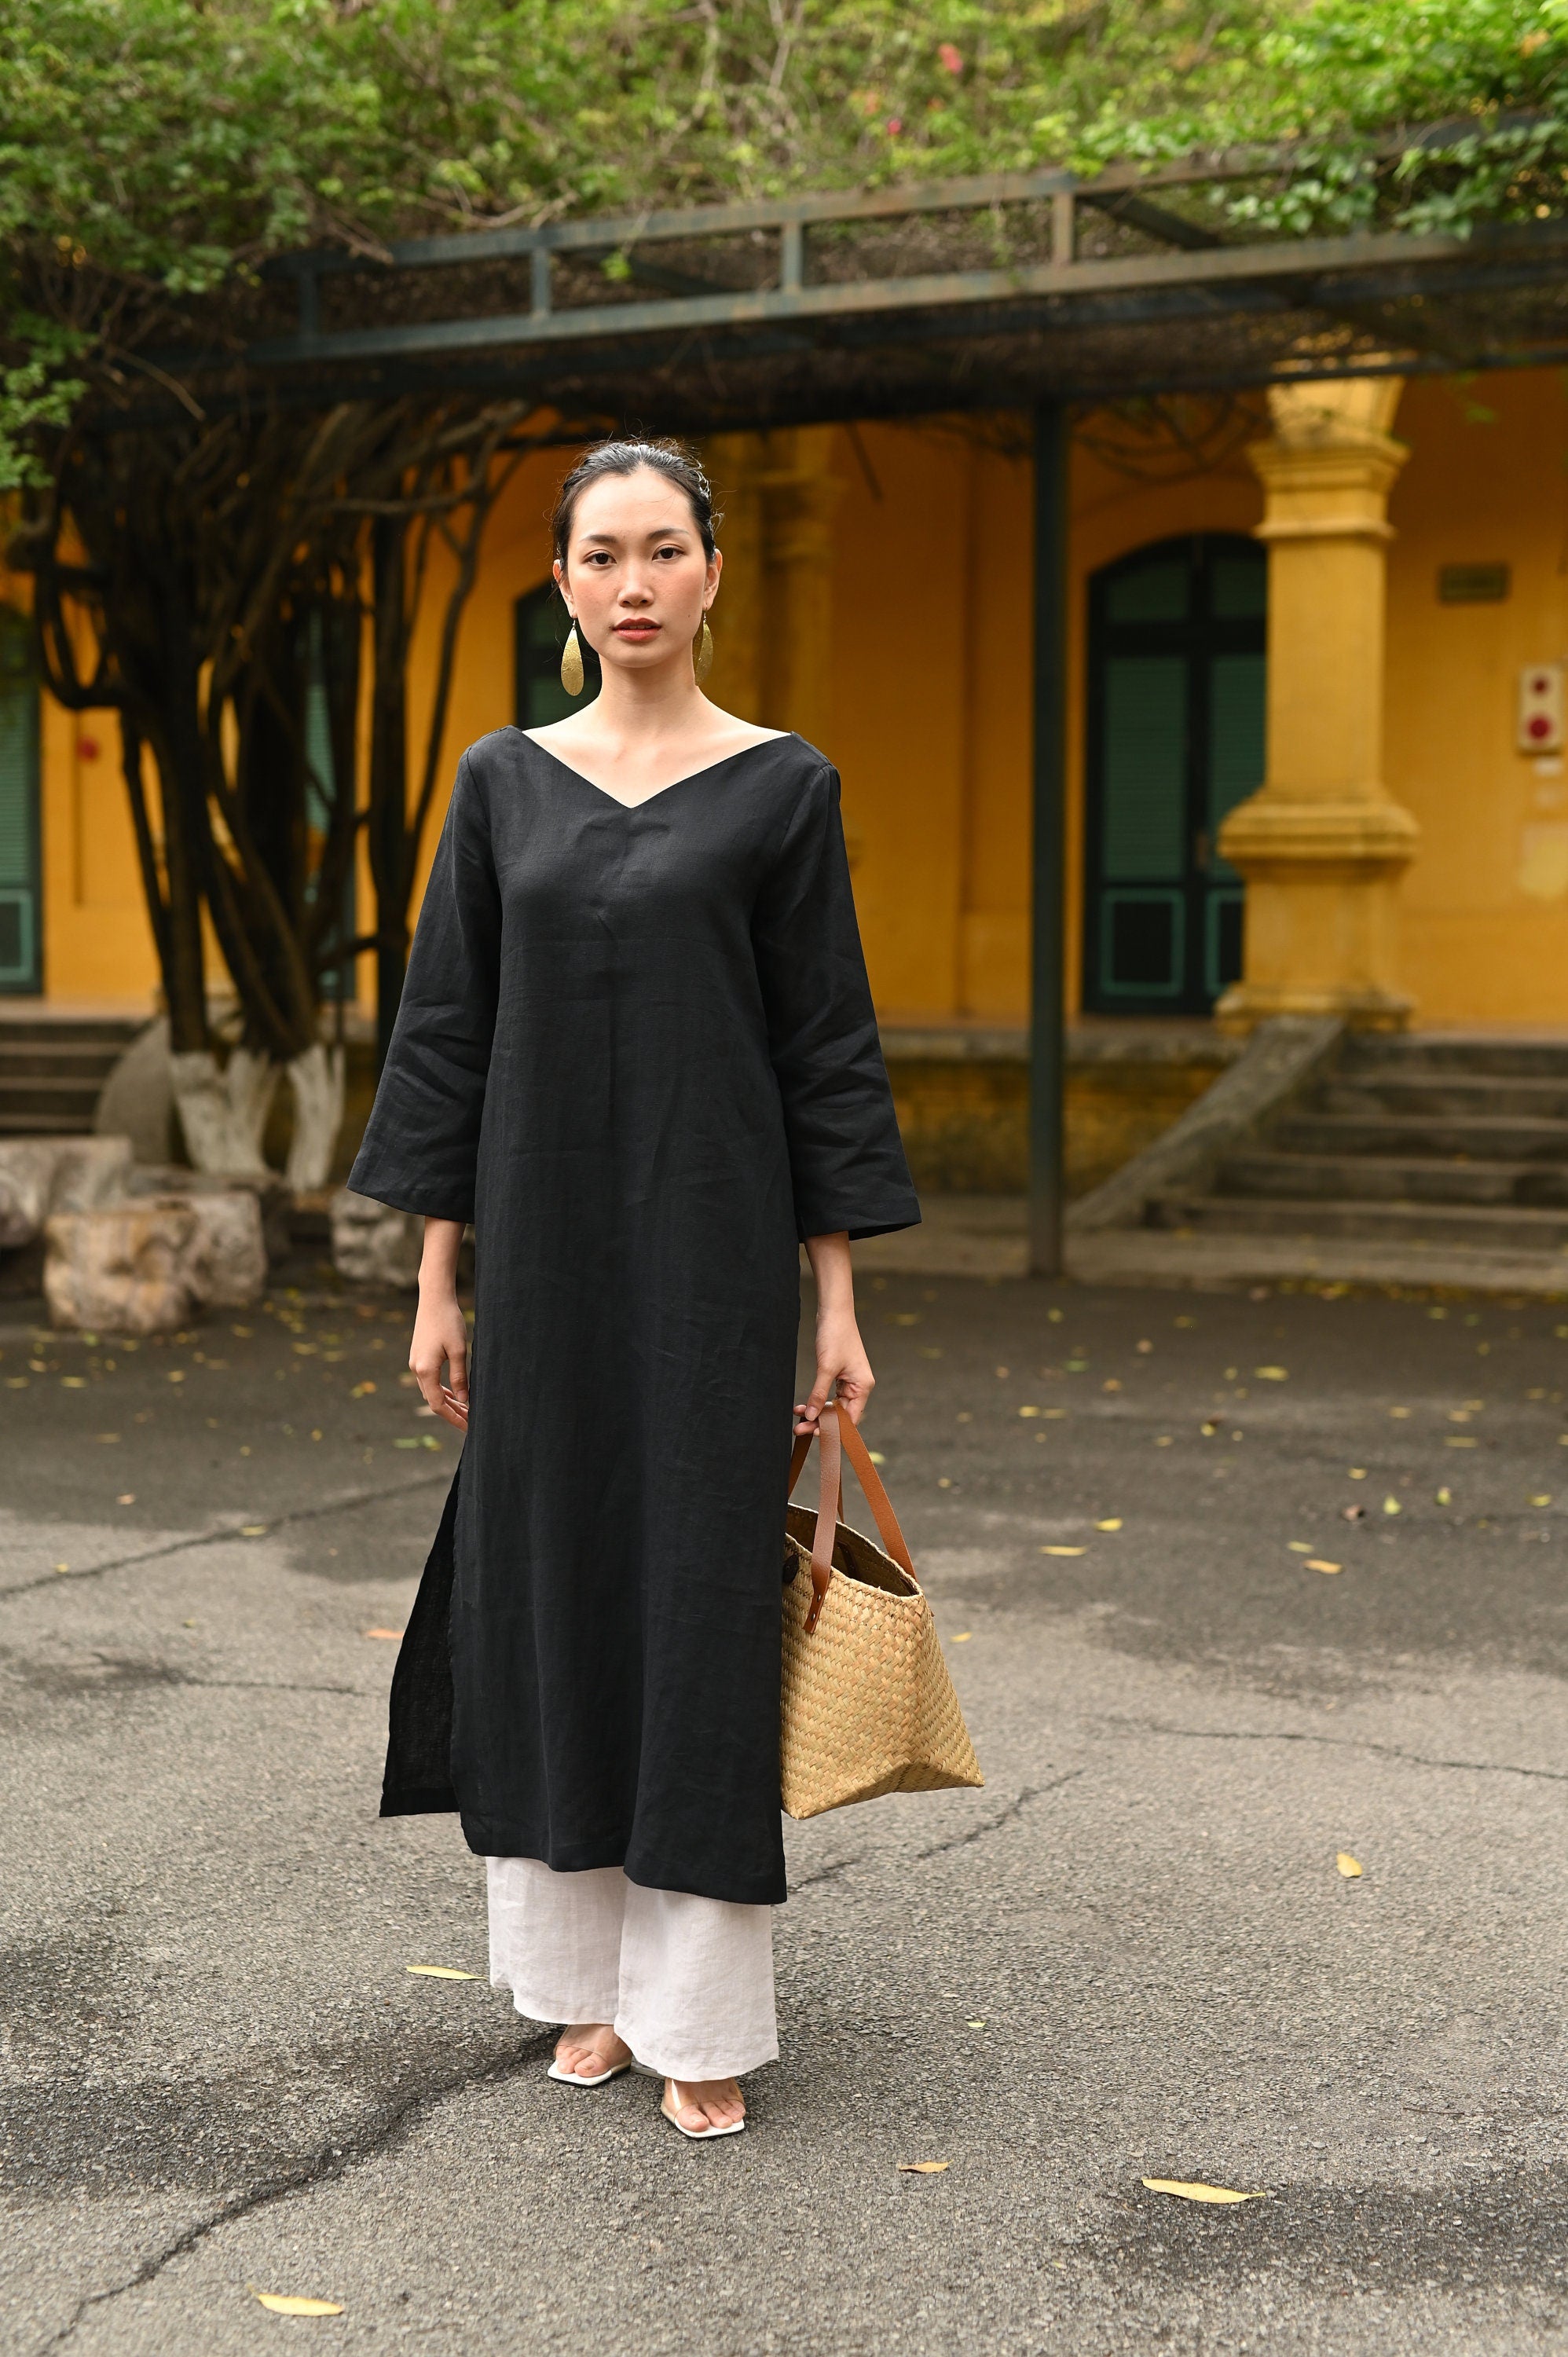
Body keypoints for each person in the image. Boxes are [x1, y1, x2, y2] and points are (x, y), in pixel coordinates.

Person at [350, 436, 919, 2140]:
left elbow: (824, 1048)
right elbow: (445, 1035)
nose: (634, 583)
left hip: (713, 1265)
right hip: (537, 1262)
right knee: (552, 1592)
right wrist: (436, 1279)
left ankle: (699, 2016)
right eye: (602, 555)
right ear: (564, 584)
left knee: (693, 1597)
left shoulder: (781, 787)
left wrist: (837, 1301)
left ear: (712, 572)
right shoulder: (500, 783)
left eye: (664, 549)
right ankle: (583, 1990)